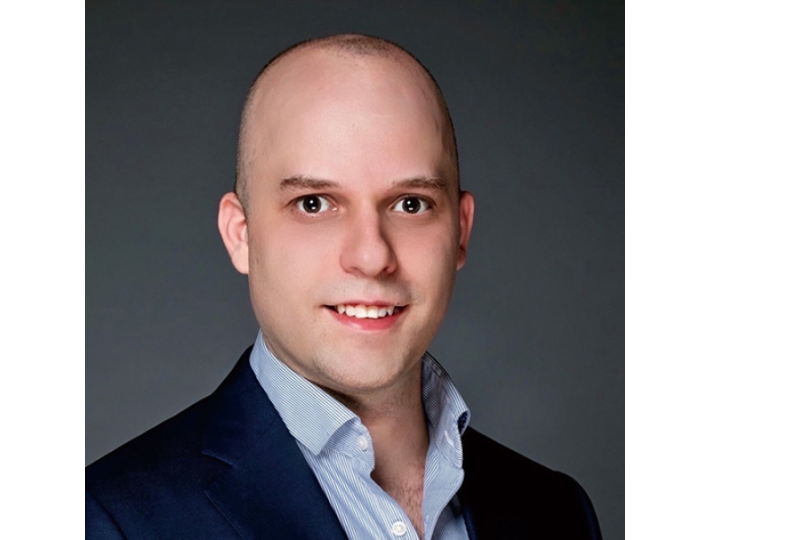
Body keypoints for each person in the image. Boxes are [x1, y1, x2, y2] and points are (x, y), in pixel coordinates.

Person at [85, 34, 601, 540]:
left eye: (411, 204)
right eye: (314, 204)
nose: (371, 256)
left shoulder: (557, 512)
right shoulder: (113, 520)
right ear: (240, 234)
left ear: (460, 232)